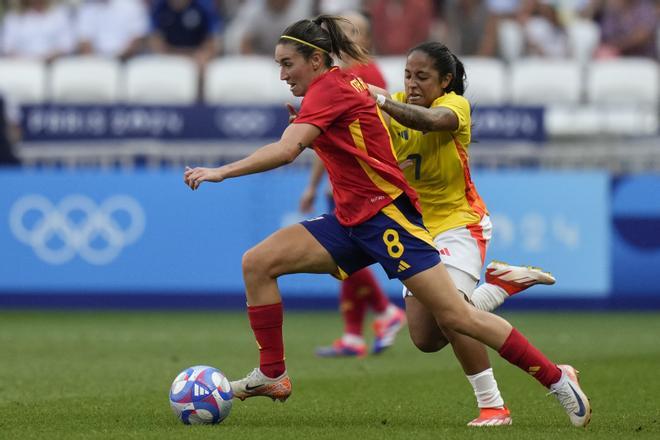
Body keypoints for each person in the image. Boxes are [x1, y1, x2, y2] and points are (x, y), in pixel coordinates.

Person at [183, 15, 591, 428]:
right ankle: (273, 374)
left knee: (456, 319)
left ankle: (558, 379)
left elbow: (287, 151)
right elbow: (354, 141)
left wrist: (220, 171)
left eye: (288, 64)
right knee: (258, 263)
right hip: (351, 221)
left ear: (316, 60)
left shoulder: (331, 89)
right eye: (279, 65)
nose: (282, 74)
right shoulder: (338, 87)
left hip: (386, 219)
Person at [368, 41, 559, 426]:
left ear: (446, 80)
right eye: (408, 75)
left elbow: (429, 122)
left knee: (452, 317)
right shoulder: (394, 105)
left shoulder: (455, 105)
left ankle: (493, 406)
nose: (413, 83)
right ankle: (500, 286)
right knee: (425, 338)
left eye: (422, 76)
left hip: (460, 224)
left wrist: (386, 103)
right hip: (417, 231)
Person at [299, 10, 405, 358]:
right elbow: (327, 139)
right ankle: (353, 336)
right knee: (342, 263)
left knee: (342, 258)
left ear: (366, 38)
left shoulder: (365, 75)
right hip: (341, 182)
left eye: (353, 32)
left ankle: (385, 311)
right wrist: (316, 185)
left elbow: (382, 124)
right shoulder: (338, 75)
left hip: (363, 187)